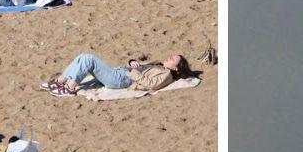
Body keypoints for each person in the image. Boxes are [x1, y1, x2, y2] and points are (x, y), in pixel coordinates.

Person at [43, 52, 193, 98]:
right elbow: (136, 68)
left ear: (176, 68)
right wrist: (132, 62)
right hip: (121, 73)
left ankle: (70, 88)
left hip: (122, 79)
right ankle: (59, 81)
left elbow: (151, 84)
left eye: (173, 59)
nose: (169, 57)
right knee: (83, 56)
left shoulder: (167, 75)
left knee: (88, 59)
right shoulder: (158, 65)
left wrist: (131, 72)